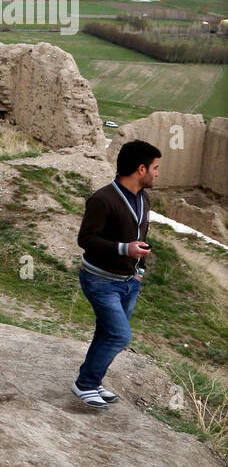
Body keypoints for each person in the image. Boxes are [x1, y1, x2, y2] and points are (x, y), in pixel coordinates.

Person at [73, 140, 161, 410]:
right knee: (119, 335)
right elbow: (85, 239)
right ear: (140, 168)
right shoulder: (103, 199)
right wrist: (125, 249)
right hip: (100, 280)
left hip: (129, 282)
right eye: (155, 168)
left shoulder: (143, 197)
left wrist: (139, 273)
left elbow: (140, 236)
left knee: (105, 332)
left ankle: (93, 380)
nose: (157, 173)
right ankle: (85, 384)